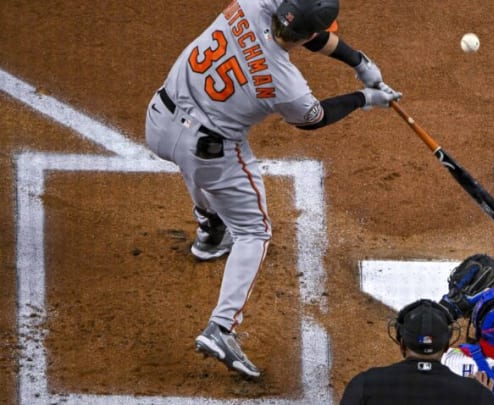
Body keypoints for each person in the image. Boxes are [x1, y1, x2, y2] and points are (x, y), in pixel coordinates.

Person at [144, 0, 401, 378]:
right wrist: (365, 97)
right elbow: (313, 118)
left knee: (202, 172)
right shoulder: (288, 85)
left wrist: (358, 62)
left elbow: (305, 33)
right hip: (209, 152)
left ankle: (211, 230)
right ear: (312, 33)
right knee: (254, 231)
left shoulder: (250, 5)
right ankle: (222, 327)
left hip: (159, 123)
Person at [339, 299, 494, 405]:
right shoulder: (476, 394)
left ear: (401, 344)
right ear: (447, 345)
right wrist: (482, 396)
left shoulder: (365, 384)